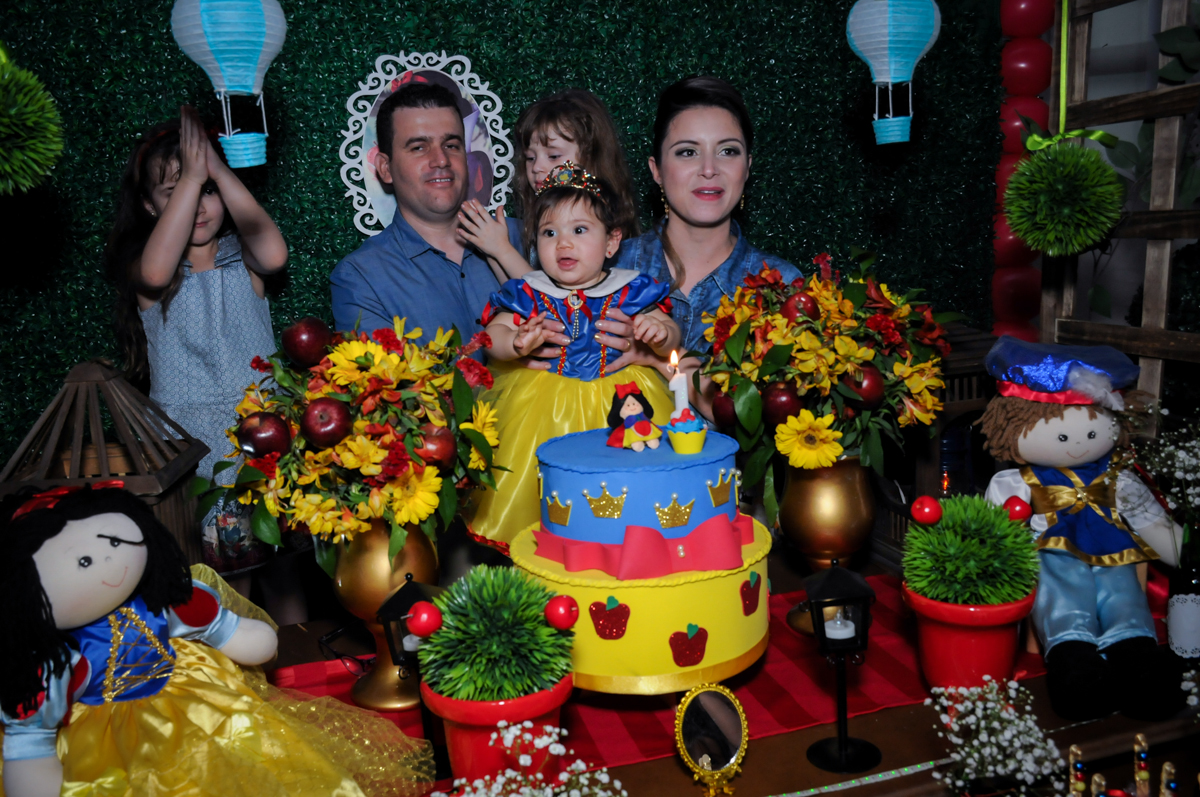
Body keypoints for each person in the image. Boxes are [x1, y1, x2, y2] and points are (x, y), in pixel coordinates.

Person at [0, 484, 434, 797]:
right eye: (85, 560)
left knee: (251, 756)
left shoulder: (162, 604)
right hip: (103, 730)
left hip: (191, 697)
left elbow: (216, 626)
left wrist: (237, 634)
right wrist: (31, 762)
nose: (110, 563)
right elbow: (31, 735)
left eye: (115, 541)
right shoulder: (58, 662)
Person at [105, 105, 288, 584]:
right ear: (150, 206)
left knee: (283, 570)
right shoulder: (150, 270)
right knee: (221, 576)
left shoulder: (242, 258)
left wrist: (216, 169)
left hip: (263, 430)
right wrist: (192, 179)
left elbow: (274, 252)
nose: (201, 204)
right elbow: (155, 271)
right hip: (191, 446)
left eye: (208, 192)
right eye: (178, 190)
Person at [470, 163, 680, 549]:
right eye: (550, 233)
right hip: (543, 410)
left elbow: (669, 332)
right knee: (547, 496)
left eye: (579, 230)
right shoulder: (529, 290)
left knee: (629, 489)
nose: (563, 244)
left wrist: (658, 332)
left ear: (612, 242)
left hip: (621, 401)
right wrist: (515, 341)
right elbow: (491, 335)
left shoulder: (630, 288)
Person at [609, 76, 803, 418]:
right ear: (656, 170)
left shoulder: (782, 286)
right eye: (687, 152)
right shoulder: (608, 266)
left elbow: (768, 424)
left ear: (747, 168)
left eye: (728, 151)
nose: (709, 169)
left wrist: (659, 358)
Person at [330, 82, 523, 346]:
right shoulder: (361, 278)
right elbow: (384, 384)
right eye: (418, 147)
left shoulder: (528, 238)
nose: (441, 160)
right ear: (385, 168)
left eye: (452, 145)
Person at [457, 88, 640, 277]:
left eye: (553, 156)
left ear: (591, 156)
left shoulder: (604, 221)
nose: (537, 167)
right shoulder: (541, 220)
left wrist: (502, 250)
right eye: (530, 158)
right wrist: (492, 252)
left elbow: (552, 300)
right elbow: (520, 297)